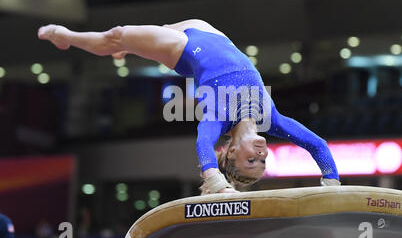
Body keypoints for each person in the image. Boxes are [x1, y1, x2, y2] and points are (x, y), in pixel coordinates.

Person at [38, 19, 341, 194]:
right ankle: (132, 49)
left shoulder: (219, 118)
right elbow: (317, 144)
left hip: (184, 50)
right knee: (141, 37)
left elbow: (202, 143)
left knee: (115, 36)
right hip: (211, 35)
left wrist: (214, 179)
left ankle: (68, 38)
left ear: (232, 152)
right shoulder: (270, 118)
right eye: (263, 162)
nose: (261, 157)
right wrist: (331, 184)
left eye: (252, 162)